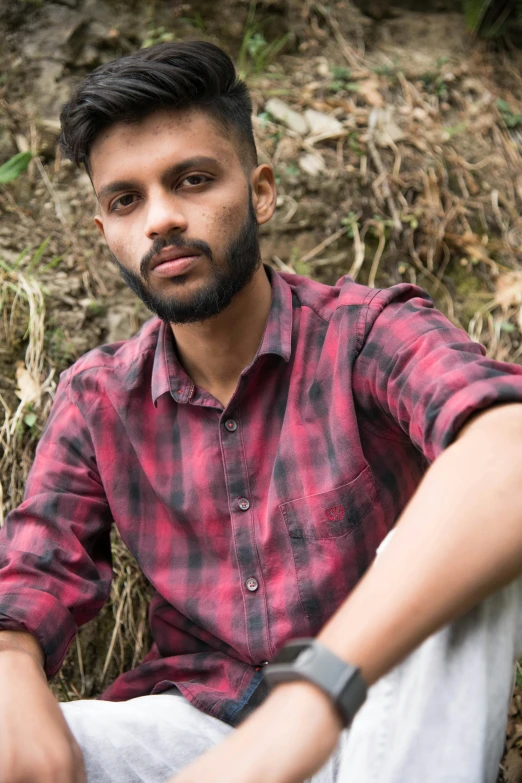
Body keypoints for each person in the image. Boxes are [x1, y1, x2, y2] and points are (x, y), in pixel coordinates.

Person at [1, 40, 522, 783]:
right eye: (127, 199)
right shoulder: (97, 397)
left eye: (193, 180)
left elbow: (510, 440)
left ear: (262, 190)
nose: (161, 219)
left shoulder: (363, 334)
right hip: (197, 731)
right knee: (62, 731)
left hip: (385, 716)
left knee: (474, 531)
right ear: (105, 234)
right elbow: (33, 565)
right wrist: (10, 664)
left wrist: (313, 693)